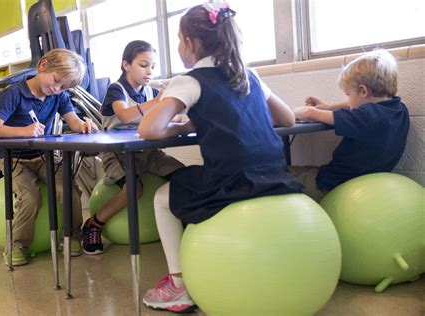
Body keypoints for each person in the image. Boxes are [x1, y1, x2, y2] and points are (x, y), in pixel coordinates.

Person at [138, 3, 303, 313]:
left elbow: (148, 128)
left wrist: (181, 124)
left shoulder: (190, 79)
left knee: (162, 198)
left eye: (178, 38)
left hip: (229, 181)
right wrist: (200, 122)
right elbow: (288, 119)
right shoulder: (248, 74)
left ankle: (178, 286)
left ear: (189, 43)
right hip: (275, 175)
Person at [0, 49, 97, 266]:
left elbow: (72, 120)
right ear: (43, 66)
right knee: (30, 197)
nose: (56, 89)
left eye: (63, 86)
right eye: (56, 81)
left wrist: (83, 125)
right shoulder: (13, 94)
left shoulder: (58, 96)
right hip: (14, 160)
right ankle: (17, 246)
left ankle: (72, 236)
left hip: (43, 157)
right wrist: (23, 131)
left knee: (69, 188)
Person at [82, 40, 184, 255]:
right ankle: (94, 224)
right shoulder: (116, 89)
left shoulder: (147, 92)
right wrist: (158, 101)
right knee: (133, 190)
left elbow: (159, 119)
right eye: (143, 65)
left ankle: (185, 221)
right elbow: (125, 115)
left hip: (148, 153)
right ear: (126, 65)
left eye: (153, 67)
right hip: (117, 154)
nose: (150, 71)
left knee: (184, 175)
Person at [290, 49, 409, 202]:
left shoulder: (364, 117)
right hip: (368, 181)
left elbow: (310, 114)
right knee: (306, 170)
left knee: (282, 173)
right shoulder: (399, 110)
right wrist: (326, 106)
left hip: (332, 184)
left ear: (363, 91)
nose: (348, 99)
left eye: (348, 93)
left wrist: (293, 111)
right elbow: (351, 106)